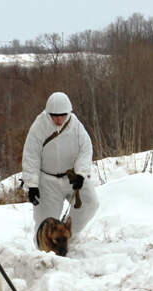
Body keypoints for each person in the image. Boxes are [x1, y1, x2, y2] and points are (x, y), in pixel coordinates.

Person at [21, 92, 99, 246]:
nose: (58, 119)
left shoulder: (75, 125)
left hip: (71, 176)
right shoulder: (39, 126)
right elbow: (31, 155)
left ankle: (69, 234)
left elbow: (85, 148)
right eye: (54, 115)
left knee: (90, 202)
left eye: (62, 115)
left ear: (68, 113)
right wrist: (32, 185)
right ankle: (44, 252)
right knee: (44, 223)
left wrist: (81, 174)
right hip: (48, 180)